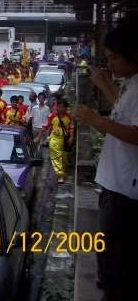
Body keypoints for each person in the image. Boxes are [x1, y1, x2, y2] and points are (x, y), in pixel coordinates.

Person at [73, 21, 138, 301]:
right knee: (110, 252)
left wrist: (95, 120)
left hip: (125, 188)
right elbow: (122, 114)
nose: (109, 62)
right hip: (115, 183)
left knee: (116, 257)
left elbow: (135, 133)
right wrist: (105, 84)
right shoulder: (131, 84)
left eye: (114, 57)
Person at [36, 99, 73, 183]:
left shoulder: (69, 116)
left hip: (65, 140)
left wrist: (71, 137)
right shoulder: (52, 116)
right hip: (54, 139)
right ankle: (60, 175)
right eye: (59, 107)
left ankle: (62, 172)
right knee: (57, 156)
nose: (61, 109)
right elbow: (44, 126)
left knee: (64, 158)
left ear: (66, 108)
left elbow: (71, 127)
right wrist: (39, 137)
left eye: (63, 107)